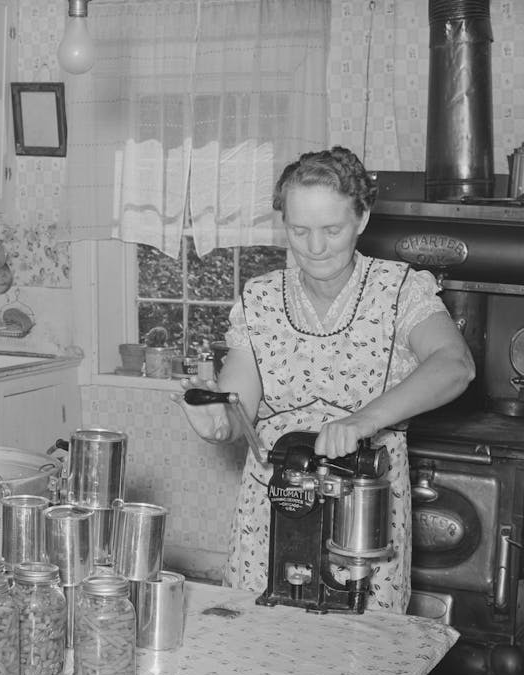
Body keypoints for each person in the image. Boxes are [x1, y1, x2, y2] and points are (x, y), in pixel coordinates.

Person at [172, 145, 475, 612]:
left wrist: (361, 422)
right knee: (266, 656)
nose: (315, 247)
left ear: (363, 218)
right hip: (272, 511)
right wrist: (216, 420)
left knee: (360, 664)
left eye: (332, 229)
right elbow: (238, 411)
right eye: (299, 229)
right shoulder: (261, 297)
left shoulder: (399, 289)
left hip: (364, 519)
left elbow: (455, 365)